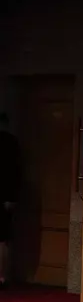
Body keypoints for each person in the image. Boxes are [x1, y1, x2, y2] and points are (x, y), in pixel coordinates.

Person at [0, 113, 21, 290]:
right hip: (4, 196)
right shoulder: (10, 143)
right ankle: (2, 276)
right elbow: (14, 172)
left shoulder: (10, 143)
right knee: (3, 239)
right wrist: (11, 197)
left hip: (5, 195)